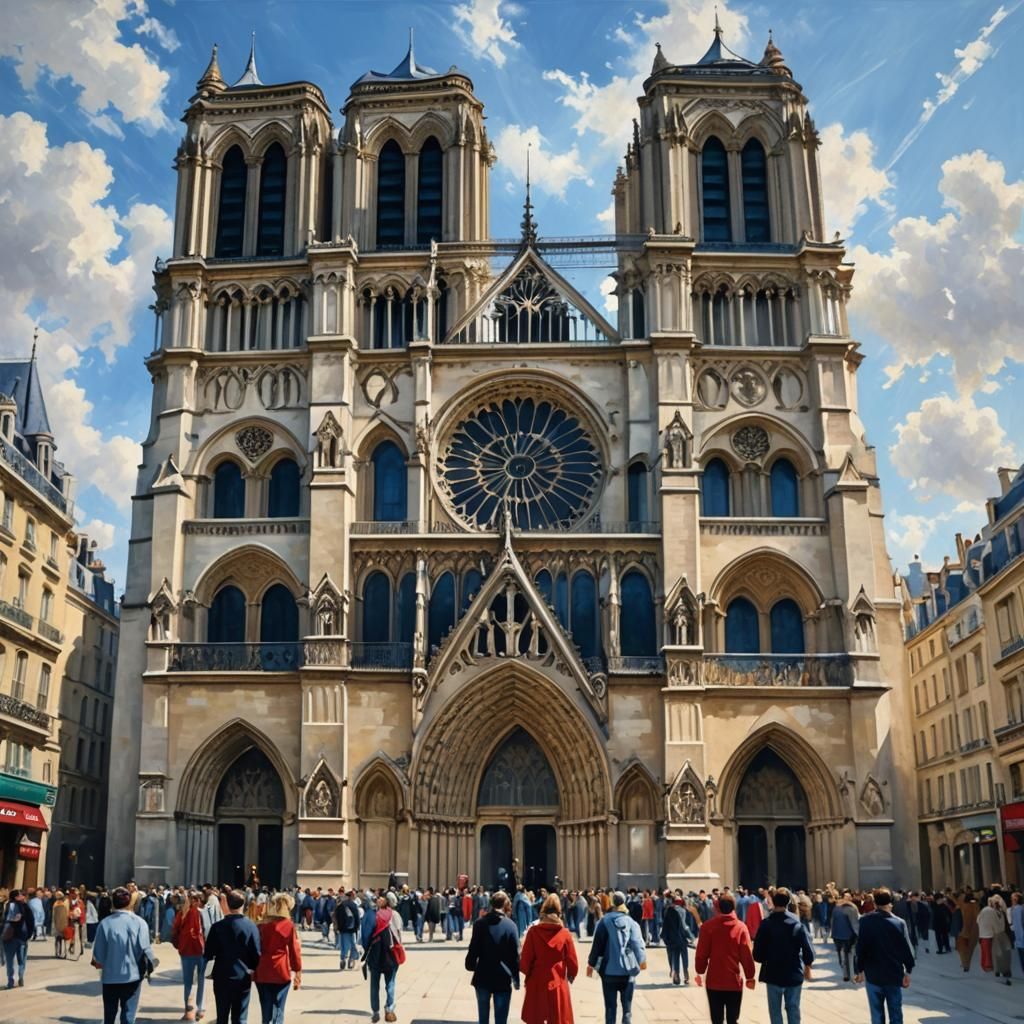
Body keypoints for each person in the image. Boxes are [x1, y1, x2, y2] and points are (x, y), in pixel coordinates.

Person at [91, 886, 155, 1024]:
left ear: (113, 903)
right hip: (132, 977)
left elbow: (99, 957)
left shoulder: (105, 924)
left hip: (110, 977)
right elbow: (146, 950)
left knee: (109, 1016)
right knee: (128, 1016)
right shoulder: (140, 923)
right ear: (129, 902)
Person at [752, 888, 814, 1024]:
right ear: (787, 903)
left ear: (773, 902)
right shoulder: (797, 924)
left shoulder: (766, 924)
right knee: (793, 1009)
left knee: (775, 1012)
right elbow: (808, 951)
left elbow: (757, 955)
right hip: (793, 972)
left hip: (773, 973)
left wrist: (766, 958)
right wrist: (807, 965)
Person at [854, 888, 914, 1024]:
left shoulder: (865, 921)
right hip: (893, 974)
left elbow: (860, 948)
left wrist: (859, 970)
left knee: (876, 1015)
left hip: (873, 974)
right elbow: (907, 950)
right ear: (890, 902)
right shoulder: (899, 923)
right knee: (896, 1014)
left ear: (875, 903)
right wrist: (908, 970)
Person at [694, 894, 755, 1024]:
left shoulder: (707, 927)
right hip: (734, 981)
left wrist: (700, 970)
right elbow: (746, 955)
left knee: (716, 1020)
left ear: (718, 908)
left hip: (714, 980)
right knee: (733, 1019)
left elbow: (701, 954)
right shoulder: (740, 927)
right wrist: (750, 976)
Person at [587, 890, 646, 1024]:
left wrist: (591, 963)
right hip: (628, 972)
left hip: (608, 973)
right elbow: (638, 944)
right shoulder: (631, 922)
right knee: (627, 1010)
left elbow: (597, 946)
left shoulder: (604, 922)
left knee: (610, 1009)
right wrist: (642, 961)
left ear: (612, 903)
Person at [204, 889, 261, 1024]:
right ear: (244, 905)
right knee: (240, 1017)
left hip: (221, 975)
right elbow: (257, 953)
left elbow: (208, 953)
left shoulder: (217, 927)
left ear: (227, 904)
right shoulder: (251, 926)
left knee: (222, 1015)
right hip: (243, 975)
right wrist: (253, 968)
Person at [465, 890, 520, 1024]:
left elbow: (474, 948)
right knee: (501, 1020)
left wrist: (471, 965)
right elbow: (515, 956)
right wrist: (516, 978)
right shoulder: (511, 926)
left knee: (483, 1019)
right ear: (506, 904)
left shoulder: (480, 923)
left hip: (482, 975)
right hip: (502, 977)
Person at [522, 893, 577, 1024]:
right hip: (557, 981)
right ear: (559, 912)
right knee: (557, 1018)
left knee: (536, 1017)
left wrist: (527, 973)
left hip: (536, 980)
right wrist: (571, 975)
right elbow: (572, 961)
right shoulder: (565, 934)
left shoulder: (533, 932)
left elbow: (525, 959)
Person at [255, 892, 302, 1023]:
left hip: (262, 970)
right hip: (280, 970)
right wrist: (297, 969)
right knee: (279, 1008)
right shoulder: (288, 925)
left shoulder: (261, 925)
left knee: (265, 1007)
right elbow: (294, 950)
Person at [361, 892, 403, 1024]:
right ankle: (389, 1009)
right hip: (390, 954)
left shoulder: (371, 915)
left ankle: (375, 1011)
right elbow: (399, 934)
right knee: (390, 983)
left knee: (374, 984)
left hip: (375, 954)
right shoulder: (395, 915)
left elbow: (365, 936)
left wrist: (366, 949)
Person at [173, 890, 207, 1021]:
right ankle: (200, 1008)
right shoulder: (203, 913)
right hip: (201, 950)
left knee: (188, 982)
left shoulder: (182, 914)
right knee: (201, 980)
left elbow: (175, 929)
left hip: (186, 950)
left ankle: (189, 1009)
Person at [660, 890, 694, 986]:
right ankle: (686, 976)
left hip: (673, 937)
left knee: (675, 956)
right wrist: (690, 936)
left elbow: (665, 924)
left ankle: (676, 976)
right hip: (682, 936)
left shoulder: (668, 910)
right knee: (684, 956)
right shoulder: (683, 911)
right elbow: (684, 925)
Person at [978, 894, 1012, 984]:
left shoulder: (989, 911)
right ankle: (1004, 970)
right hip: (1001, 934)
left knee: (997, 953)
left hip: (995, 935)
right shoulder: (1000, 912)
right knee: (1003, 954)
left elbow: (980, 920)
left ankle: (998, 971)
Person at [2, 889, 31, 988]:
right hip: (21, 936)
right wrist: (29, 934)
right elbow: (31, 920)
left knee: (10, 960)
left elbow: (5, 920)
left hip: (9, 936)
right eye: (20, 895)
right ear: (16, 897)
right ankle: (21, 976)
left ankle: (11, 980)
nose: (22, 896)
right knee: (21, 959)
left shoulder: (9, 905)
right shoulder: (19, 905)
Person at [830, 890, 860, 982]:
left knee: (841, 955)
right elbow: (855, 924)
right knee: (850, 956)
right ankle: (851, 976)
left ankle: (845, 974)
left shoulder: (836, 908)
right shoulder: (851, 908)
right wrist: (859, 935)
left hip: (836, 936)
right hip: (848, 936)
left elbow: (832, 922)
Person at [955, 889, 980, 972]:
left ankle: (965, 963)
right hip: (974, 929)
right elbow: (977, 916)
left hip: (965, 929)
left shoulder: (964, 905)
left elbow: (956, 902)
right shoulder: (975, 905)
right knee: (970, 949)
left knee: (961, 947)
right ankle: (966, 964)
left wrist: (950, 896)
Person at [334, 889, 360, 970]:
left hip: (343, 929)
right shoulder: (353, 905)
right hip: (352, 929)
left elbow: (336, 916)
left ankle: (343, 959)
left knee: (344, 945)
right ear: (352, 896)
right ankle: (351, 960)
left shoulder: (340, 905)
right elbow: (357, 917)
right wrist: (357, 927)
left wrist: (338, 927)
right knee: (353, 944)